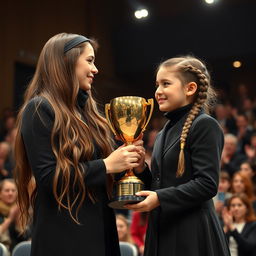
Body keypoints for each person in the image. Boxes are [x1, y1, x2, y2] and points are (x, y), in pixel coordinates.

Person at [14, 32, 145, 256]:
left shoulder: (91, 113)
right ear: (66, 62)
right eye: (90, 60)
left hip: (102, 233)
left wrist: (134, 165)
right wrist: (106, 165)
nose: (96, 69)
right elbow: (47, 177)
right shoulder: (39, 109)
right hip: (63, 239)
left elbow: (106, 172)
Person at [126, 56, 230, 255]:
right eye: (157, 84)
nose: (158, 91)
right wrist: (140, 169)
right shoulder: (164, 132)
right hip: (161, 230)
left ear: (190, 88)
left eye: (166, 84)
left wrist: (159, 198)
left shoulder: (204, 125)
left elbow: (207, 184)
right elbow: (159, 184)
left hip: (192, 233)